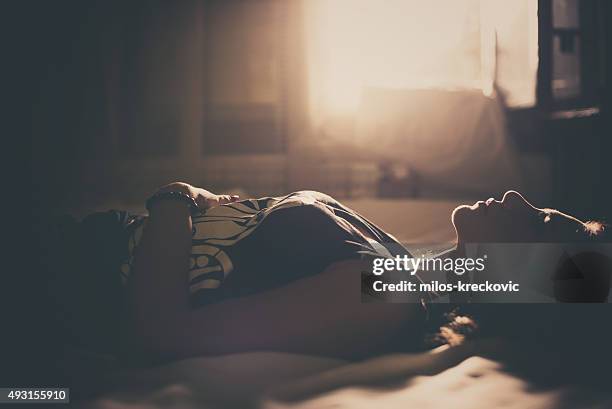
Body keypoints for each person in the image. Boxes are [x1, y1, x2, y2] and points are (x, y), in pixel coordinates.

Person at [41, 183, 607, 363]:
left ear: (530, 272)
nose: (514, 194)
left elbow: (157, 332)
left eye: (540, 216)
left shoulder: (393, 293)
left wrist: (175, 202)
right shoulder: (398, 265)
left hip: (52, 277)